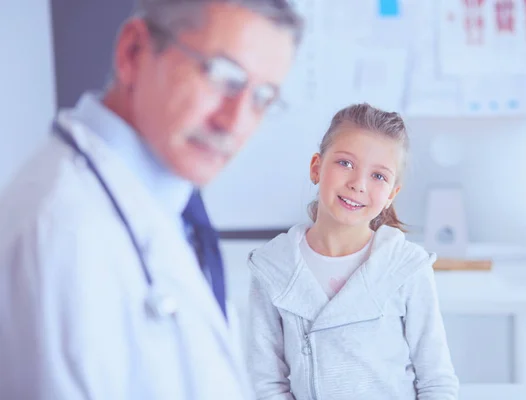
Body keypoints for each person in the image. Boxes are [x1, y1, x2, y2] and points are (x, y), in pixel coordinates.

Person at [0, 0, 302, 398]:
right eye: (222, 76)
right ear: (133, 52)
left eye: (261, 98)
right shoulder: (60, 231)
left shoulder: (171, 209)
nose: (235, 122)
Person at [246, 103, 460, 399]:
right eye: (345, 163)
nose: (358, 184)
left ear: (391, 195)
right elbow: (266, 383)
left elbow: (437, 381)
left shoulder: (406, 267)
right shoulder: (272, 268)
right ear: (316, 168)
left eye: (379, 176)